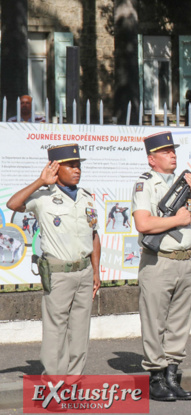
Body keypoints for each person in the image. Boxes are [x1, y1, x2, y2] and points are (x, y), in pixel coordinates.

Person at [6, 143, 101, 375]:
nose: (77, 170)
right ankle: (54, 381)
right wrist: (40, 181)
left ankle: (73, 380)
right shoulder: (43, 197)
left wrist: (96, 271)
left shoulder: (87, 198)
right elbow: (13, 204)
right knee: (55, 329)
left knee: (80, 330)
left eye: (78, 165)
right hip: (58, 273)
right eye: (71, 166)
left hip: (84, 271)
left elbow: (94, 235)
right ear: (56, 169)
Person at [132, 131, 191, 401]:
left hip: (185, 260)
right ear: (152, 159)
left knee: (179, 323)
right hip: (159, 261)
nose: (172, 154)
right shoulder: (145, 184)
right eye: (165, 151)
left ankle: (172, 374)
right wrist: (175, 219)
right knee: (155, 322)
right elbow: (143, 224)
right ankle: (156, 377)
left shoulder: (181, 183)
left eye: (173, 150)